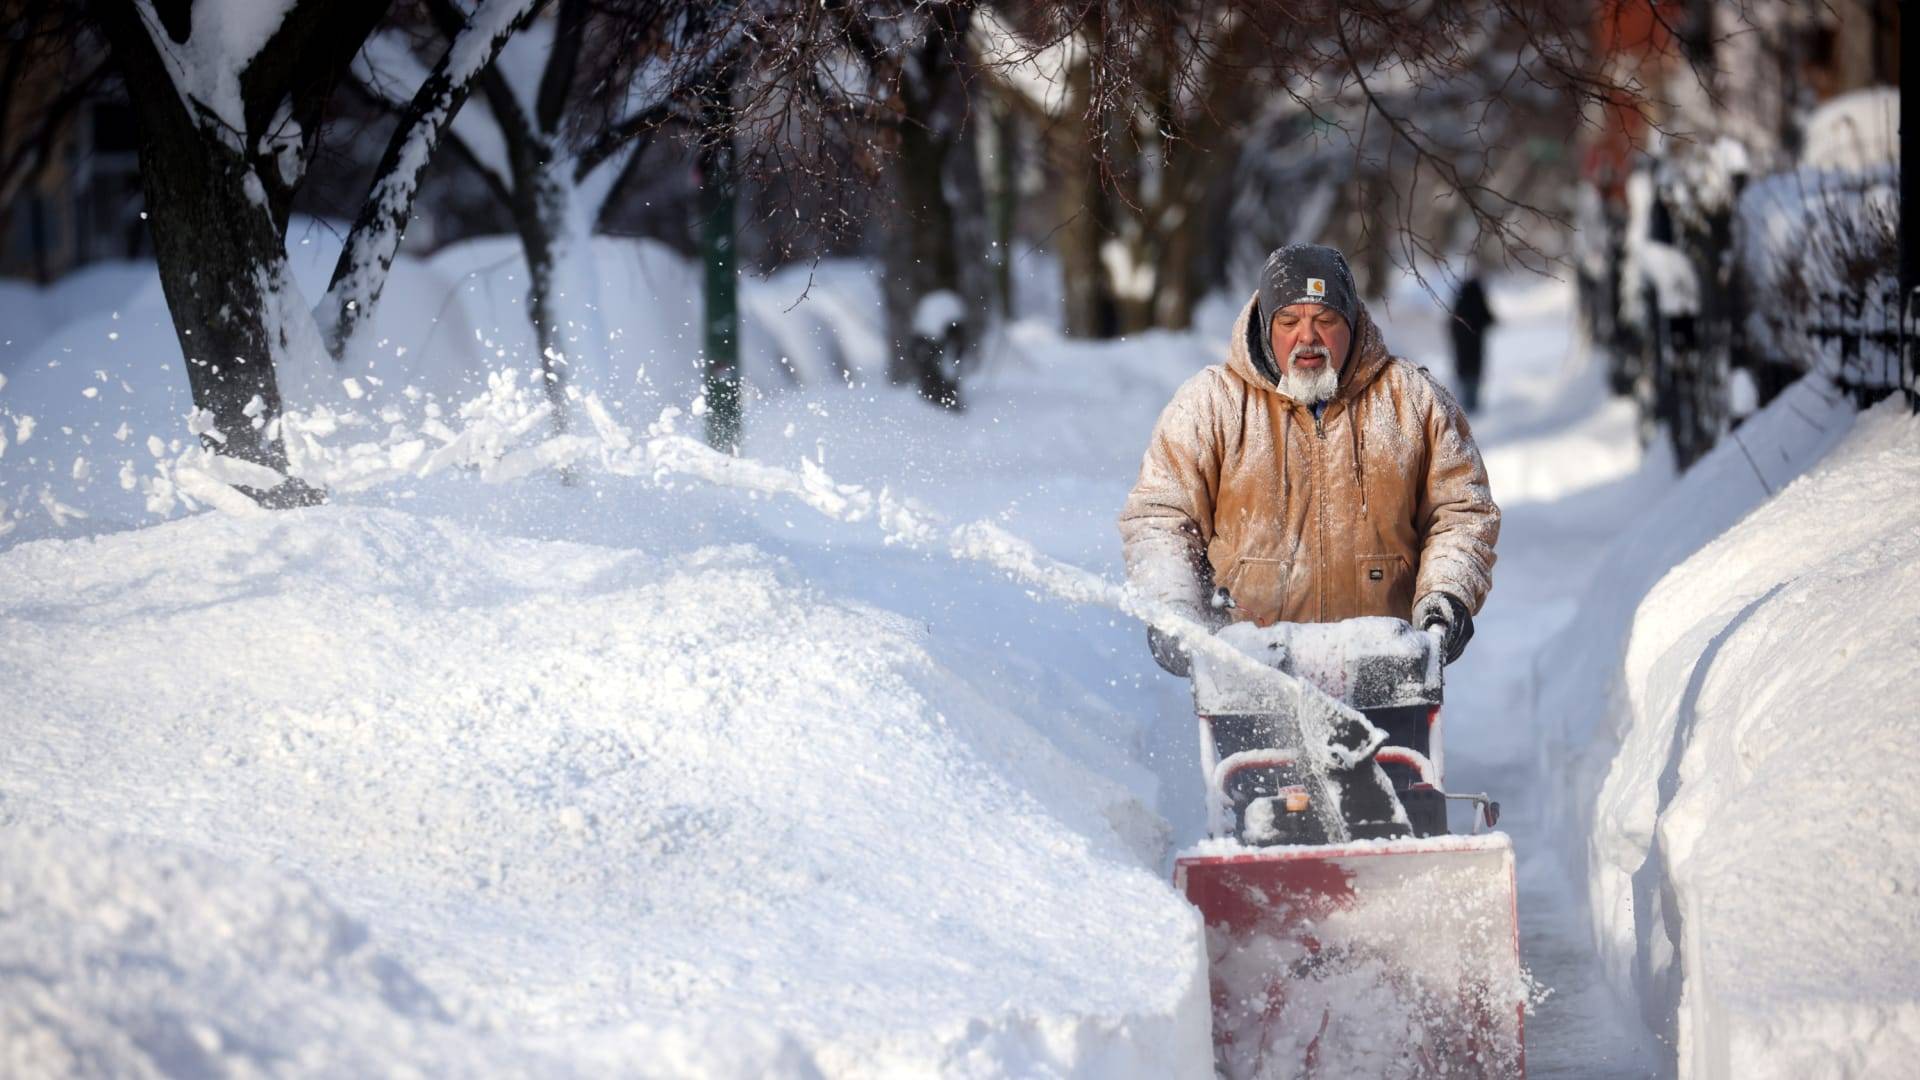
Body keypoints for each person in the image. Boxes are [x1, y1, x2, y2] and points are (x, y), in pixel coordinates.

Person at [1118, 242, 1499, 679]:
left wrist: (1445, 595)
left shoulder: (1413, 400)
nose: (1308, 337)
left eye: (1325, 319)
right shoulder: (1209, 406)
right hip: (1251, 673)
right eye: (1289, 321)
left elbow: (1462, 511)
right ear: (1266, 325)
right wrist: (1174, 606)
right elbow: (1160, 517)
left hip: (1386, 669)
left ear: (1351, 322)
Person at [1449, 274, 1495, 413]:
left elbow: (1451, 325)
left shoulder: (1459, 301)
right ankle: (1472, 406)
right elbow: (1489, 318)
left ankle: (1464, 407)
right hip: (1475, 346)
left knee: (1463, 375)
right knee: (1474, 375)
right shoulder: (1478, 299)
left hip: (1461, 348)